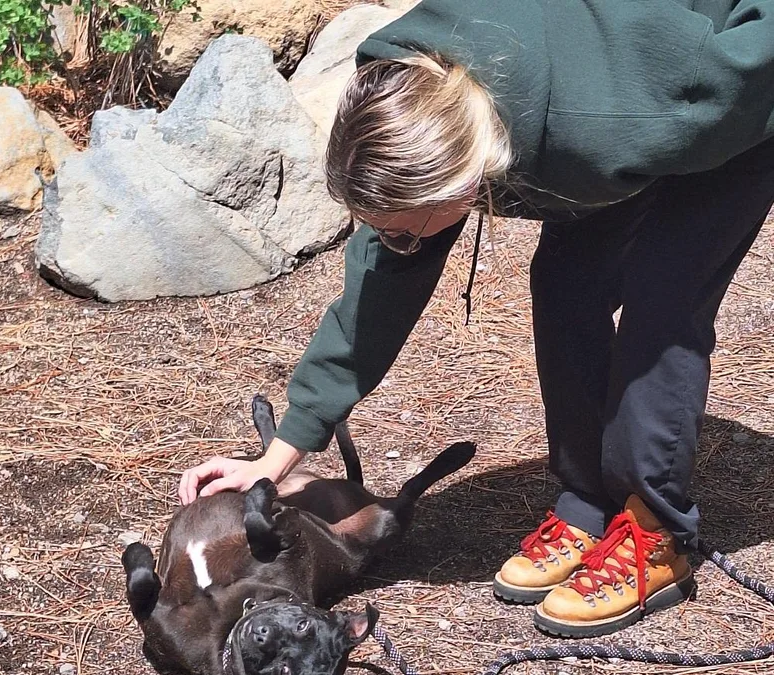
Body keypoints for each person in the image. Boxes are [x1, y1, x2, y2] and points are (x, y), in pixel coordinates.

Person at [179, 0, 774, 638]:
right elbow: (376, 292)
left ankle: (655, 533)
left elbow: (739, 77)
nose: (398, 244)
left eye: (407, 233)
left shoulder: (607, 122)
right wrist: (276, 457)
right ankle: (585, 504)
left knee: (664, 298)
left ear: (465, 188)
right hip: (612, 88)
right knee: (568, 280)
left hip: (737, 84)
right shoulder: (404, 98)